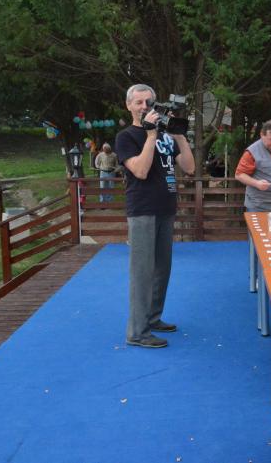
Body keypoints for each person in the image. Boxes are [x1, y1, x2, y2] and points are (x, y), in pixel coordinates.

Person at [115, 84, 195, 348]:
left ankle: (152, 318)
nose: (144, 107)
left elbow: (189, 167)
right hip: (142, 210)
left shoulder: (165, 136)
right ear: (129, 105)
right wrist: (150, 136)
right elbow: (139, 170)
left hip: (165, 208)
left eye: (148, 102)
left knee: (162, 269)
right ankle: (137, 332)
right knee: (142, 272)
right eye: (138, 102)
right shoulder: (126, 137)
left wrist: (179, 136)